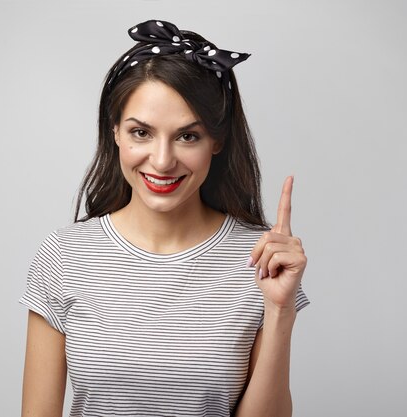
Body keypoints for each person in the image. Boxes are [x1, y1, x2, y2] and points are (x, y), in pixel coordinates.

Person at [20, 19, 310, 417]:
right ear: (115, 131)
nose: (161, 160)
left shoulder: (260, 260)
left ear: (217, 140)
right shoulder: (64, 255)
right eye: (141, 133)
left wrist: (280, 312)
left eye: (187, 136)